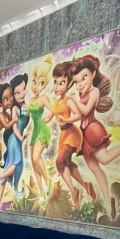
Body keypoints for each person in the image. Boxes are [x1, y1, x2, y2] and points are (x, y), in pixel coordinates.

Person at [69, 55, 120, 218]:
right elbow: (79, 114)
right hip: (84, 133)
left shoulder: (94, 91)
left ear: (93, 74)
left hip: (92, 129)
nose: (80, 84)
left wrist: (75, 100)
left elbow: (85, 111)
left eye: (84, 77)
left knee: (105, 159)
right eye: (76, 81)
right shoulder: (82, 93)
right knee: (95, 169)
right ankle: (107, 200)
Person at [45, 61, 94, 208]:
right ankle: (86, 185)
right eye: (55, 82)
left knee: (59, 161)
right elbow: (50, 116)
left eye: (62, 83)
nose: (57, 87)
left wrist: (66, 119)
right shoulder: (56, 103)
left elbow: (78, 115)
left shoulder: (68, 100)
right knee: (66, 162)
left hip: (72, 134)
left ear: (69, 84)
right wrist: (42, 119)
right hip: (64, 135)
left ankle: (74, 191)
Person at [0, 73, 31, 208]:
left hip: (17, 140)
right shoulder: (15, 108)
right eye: (17, 93)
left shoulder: (22, 106)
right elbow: (15, 126)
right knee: (15, 164)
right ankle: (0, 176)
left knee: (17, 165)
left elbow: (23, 120)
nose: (22, 94)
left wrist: (26, 110)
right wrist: (20, 137)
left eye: (23, 89)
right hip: (15, 140)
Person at [27, 56, 54, 202]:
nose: (36, 86)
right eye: (34, 81)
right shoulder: (30, 101)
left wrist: (48, 118)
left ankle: (47, 181)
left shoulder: (43, 99)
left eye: (41, 83)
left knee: (36, 157)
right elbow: (25, 117)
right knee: (33, 162)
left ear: (45, 85)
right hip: (34, 132)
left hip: (43, 130)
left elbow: (53, 110)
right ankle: (41, 193)